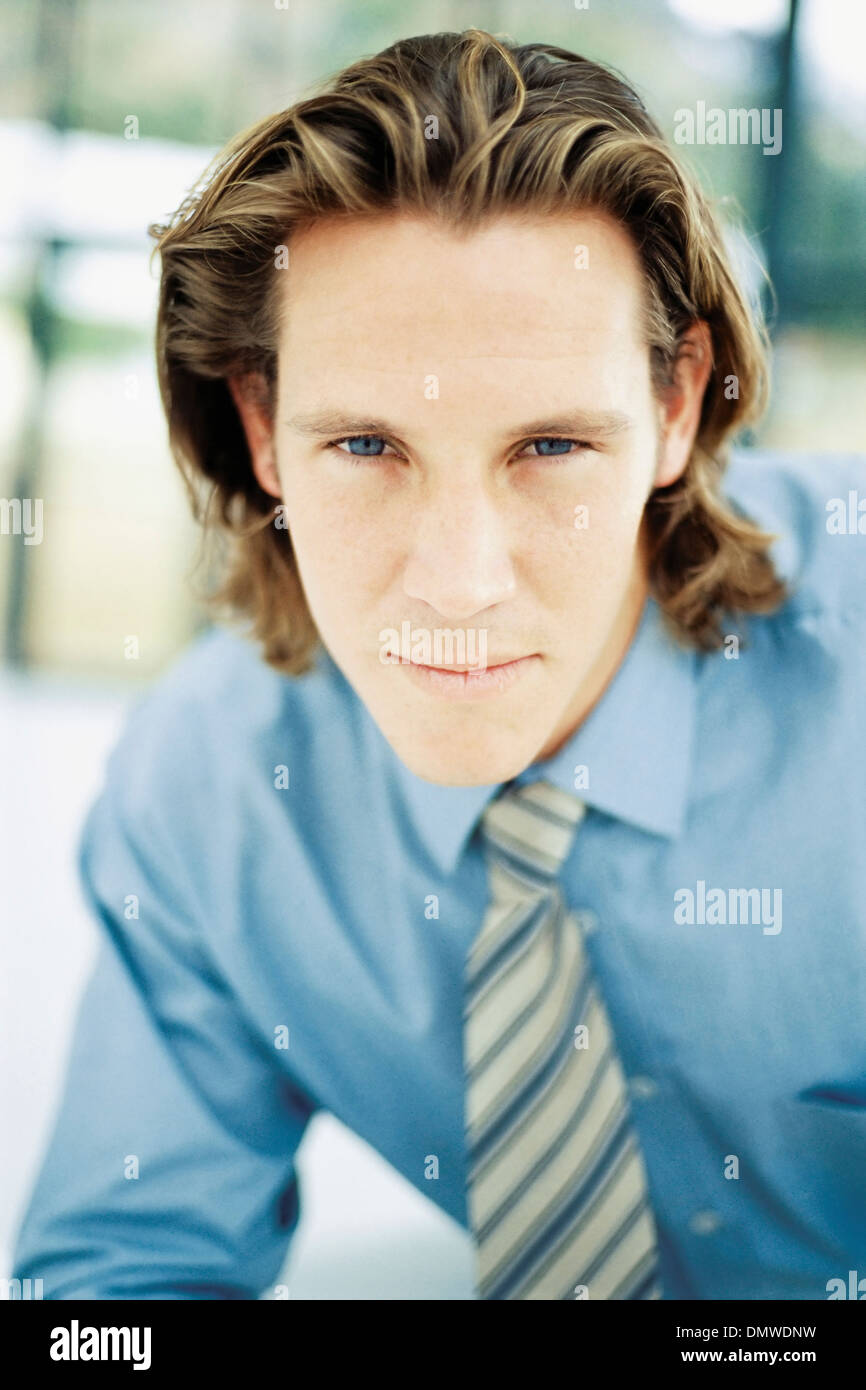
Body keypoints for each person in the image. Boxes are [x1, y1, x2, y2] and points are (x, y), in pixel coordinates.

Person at [11, 27, 866, 1301]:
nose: (456, 582)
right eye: (364, 445)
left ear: (676, 406)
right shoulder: (214, 780)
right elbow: (114, 1293)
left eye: (550, 449)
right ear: (259, 424)